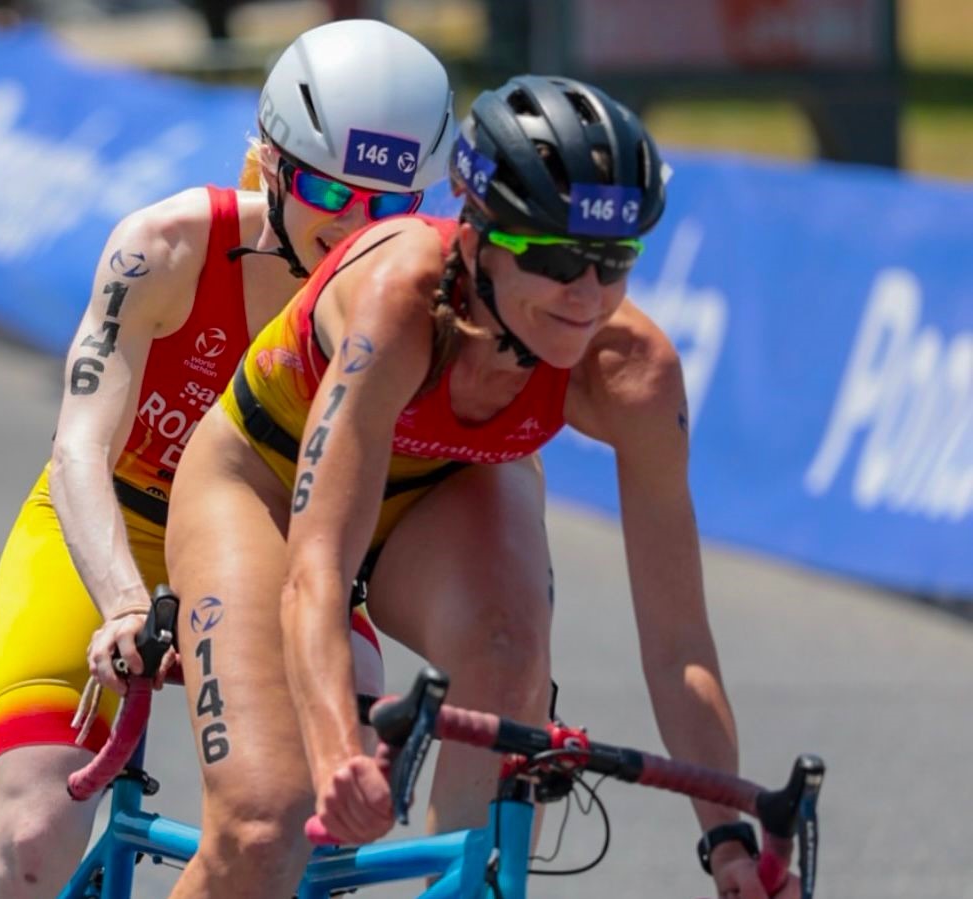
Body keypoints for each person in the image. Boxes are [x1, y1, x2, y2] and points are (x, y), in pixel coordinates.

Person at [163, 75, 800, 899]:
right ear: (474, 241)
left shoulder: (634, 371)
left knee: (506, 663)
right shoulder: (401, 299)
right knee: (263, 825)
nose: (588, 296)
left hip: (438, 491)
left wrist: (726, 838)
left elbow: (679, 642)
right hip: (265, 483)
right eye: (557, 257)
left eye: (615, 261)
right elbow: (316, 570)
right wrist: (337, 759)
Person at [0, 19, 455, 899]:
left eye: (386, 207)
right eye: (328, 192)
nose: (350, 230)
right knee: (32, 839)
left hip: (276, 560)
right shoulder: (168, 246)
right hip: (119, 538)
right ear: (271, 162)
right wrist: (121, 605)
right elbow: (78, 448)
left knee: (313, 832)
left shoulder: (412, 300)